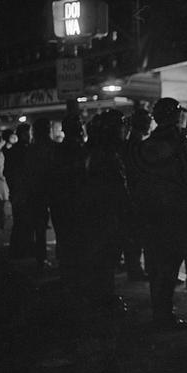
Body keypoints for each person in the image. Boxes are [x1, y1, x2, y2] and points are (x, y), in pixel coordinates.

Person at [125, 97, 187, 329]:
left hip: (150, 216)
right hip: (177, 216)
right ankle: (165, 316)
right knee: (170, 267)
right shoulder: (183, 146)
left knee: (154, 266)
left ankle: (159, 313)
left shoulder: (142, 147)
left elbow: (134, 183)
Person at [74, 110, 131, 313]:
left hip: (96, 215)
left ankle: (101, 297)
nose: (124, 131)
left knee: (102, 258)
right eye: (121, 127)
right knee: (104, 258)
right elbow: (115, 189)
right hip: (104, 215)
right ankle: (104, 299)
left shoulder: (93, 151)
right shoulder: (104, 155)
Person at [50, 113, 87, 293]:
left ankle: (68, 276)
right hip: (74, 202)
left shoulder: (58, 150)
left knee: (65, 240)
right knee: (75, 241)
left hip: (61, 202)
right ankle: (74, 279)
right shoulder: (79, 150)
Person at [122, 108, 152, 282]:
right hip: (137, 197)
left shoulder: (132, 144)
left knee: (136, 237)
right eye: (147, 122)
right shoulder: (137, 145)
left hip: (135, 196)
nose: (149, 125)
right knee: (136, 237)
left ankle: (135, 268)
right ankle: (135, 270)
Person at [24, 118, 56, 272]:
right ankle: (60, 257)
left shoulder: (31, 149)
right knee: (61, 225)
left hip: (37, 191)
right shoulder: (54, 147)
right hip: (54, 190)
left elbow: (28, 173)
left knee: (40, 228)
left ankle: (41, 259)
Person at [4, 122, 33, 259]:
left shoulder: (14, 151)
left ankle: (18, 250)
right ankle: (22, 250)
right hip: (23, 191)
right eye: (28, 133)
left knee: (20, 222)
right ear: (23, 134)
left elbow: (7, 172)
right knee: (24, 222)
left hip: (18, 191)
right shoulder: (24, 150)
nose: (29, 136)